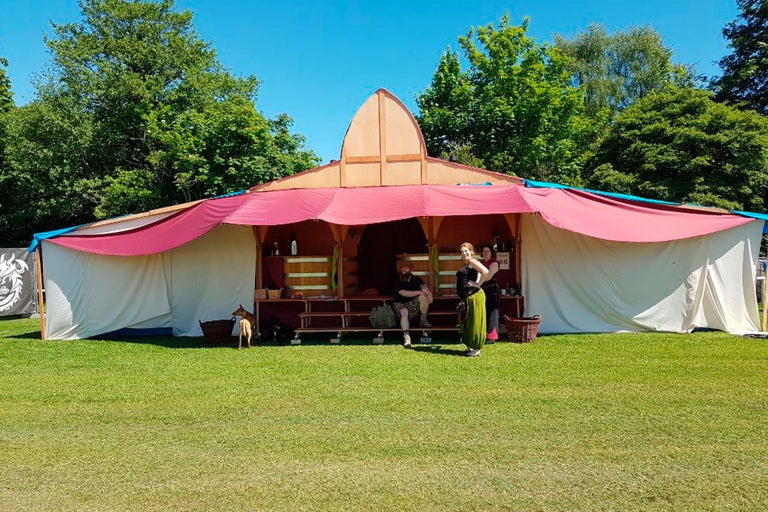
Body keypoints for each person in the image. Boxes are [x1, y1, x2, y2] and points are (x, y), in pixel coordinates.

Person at [456, 242, 489, 357]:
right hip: (468, 297)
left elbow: (485, 272)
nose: (464, 253)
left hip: (475, 295)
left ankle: (476, 348)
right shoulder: (467, 264)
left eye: (466, 251)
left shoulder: (473, 262)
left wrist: (478, 284)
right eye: (462, 251)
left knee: (475, 322)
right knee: (468, 321)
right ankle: (470, 345)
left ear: (471, 252)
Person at [392, 264, 434, 348]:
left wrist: (428, 293)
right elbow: (404, 293)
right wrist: (419, 292)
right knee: (404, 312)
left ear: (411, 269)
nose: (403, 269)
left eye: (405, 267)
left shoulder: (416, 279)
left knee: (423, 297)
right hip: (399, 304)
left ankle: (423, 320)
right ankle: (406, 337)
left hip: (411, 304)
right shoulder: (397, 280)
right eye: (401, 267)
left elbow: (423, 287)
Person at [479, 245, 501, 344]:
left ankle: (492, 337)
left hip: (492, 291)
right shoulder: (481, 263)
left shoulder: (494, 263)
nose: (485, 253)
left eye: (487, 251)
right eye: (484, 251)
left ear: (491, 252)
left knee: (493, 313)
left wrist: (477, 282)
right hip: (483, 290)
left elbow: (488, 277)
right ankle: (485, 335)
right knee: (485, 312)